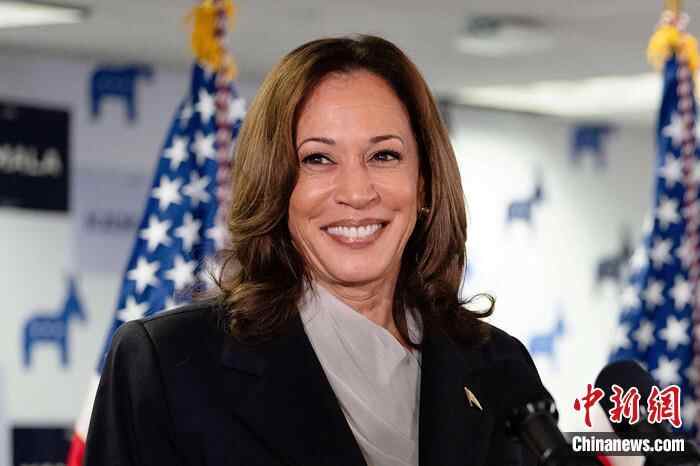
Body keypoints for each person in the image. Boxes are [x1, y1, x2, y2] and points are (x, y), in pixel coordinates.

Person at [84, 35, 547, 466]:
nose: (356, 192)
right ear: (276, 185)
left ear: (423, 183)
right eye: (318, 159)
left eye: (383, 155)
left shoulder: (498, 366)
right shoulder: (166, 364)